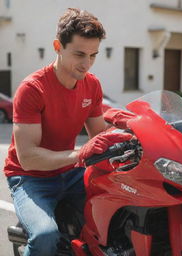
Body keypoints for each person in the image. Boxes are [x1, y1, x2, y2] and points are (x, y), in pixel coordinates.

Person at [3, 8, 132, 256]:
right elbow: (28, 157)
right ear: (57, 46)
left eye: (93, 55)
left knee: (123, 213)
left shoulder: (91, 84)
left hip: (71, 174)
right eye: (79, 54)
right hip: (30, 178)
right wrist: (80, 154)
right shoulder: (33, 89)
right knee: (45, 237)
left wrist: (131, 130)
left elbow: (99, 134)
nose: (86, 64)